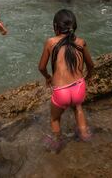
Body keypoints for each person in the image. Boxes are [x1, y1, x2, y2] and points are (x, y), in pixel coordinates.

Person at [38, 9, 94, 152]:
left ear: (55, 27)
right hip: (79, 87)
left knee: (55, 119)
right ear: (74, 26)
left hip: (61, 92)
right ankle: (85, 134)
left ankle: (57, 143)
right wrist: (88, 77)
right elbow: (91, 65)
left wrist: (48, 78)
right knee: (78, 108)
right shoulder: (81, 42)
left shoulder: (51, 42)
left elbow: (41, 67)